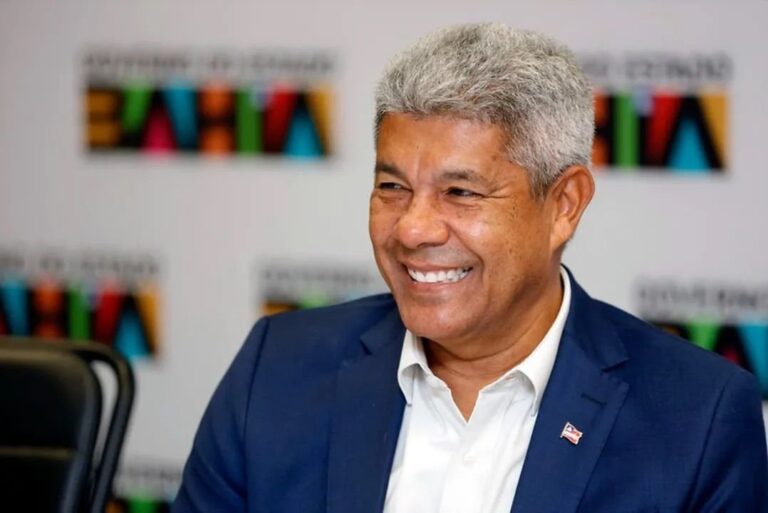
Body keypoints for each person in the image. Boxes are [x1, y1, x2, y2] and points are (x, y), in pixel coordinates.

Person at [171, 23, 768, 513]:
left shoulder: (698, 418)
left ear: (564, 205)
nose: (412, 229)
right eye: (392, 187)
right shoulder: (277, 369)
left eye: (461, 193)